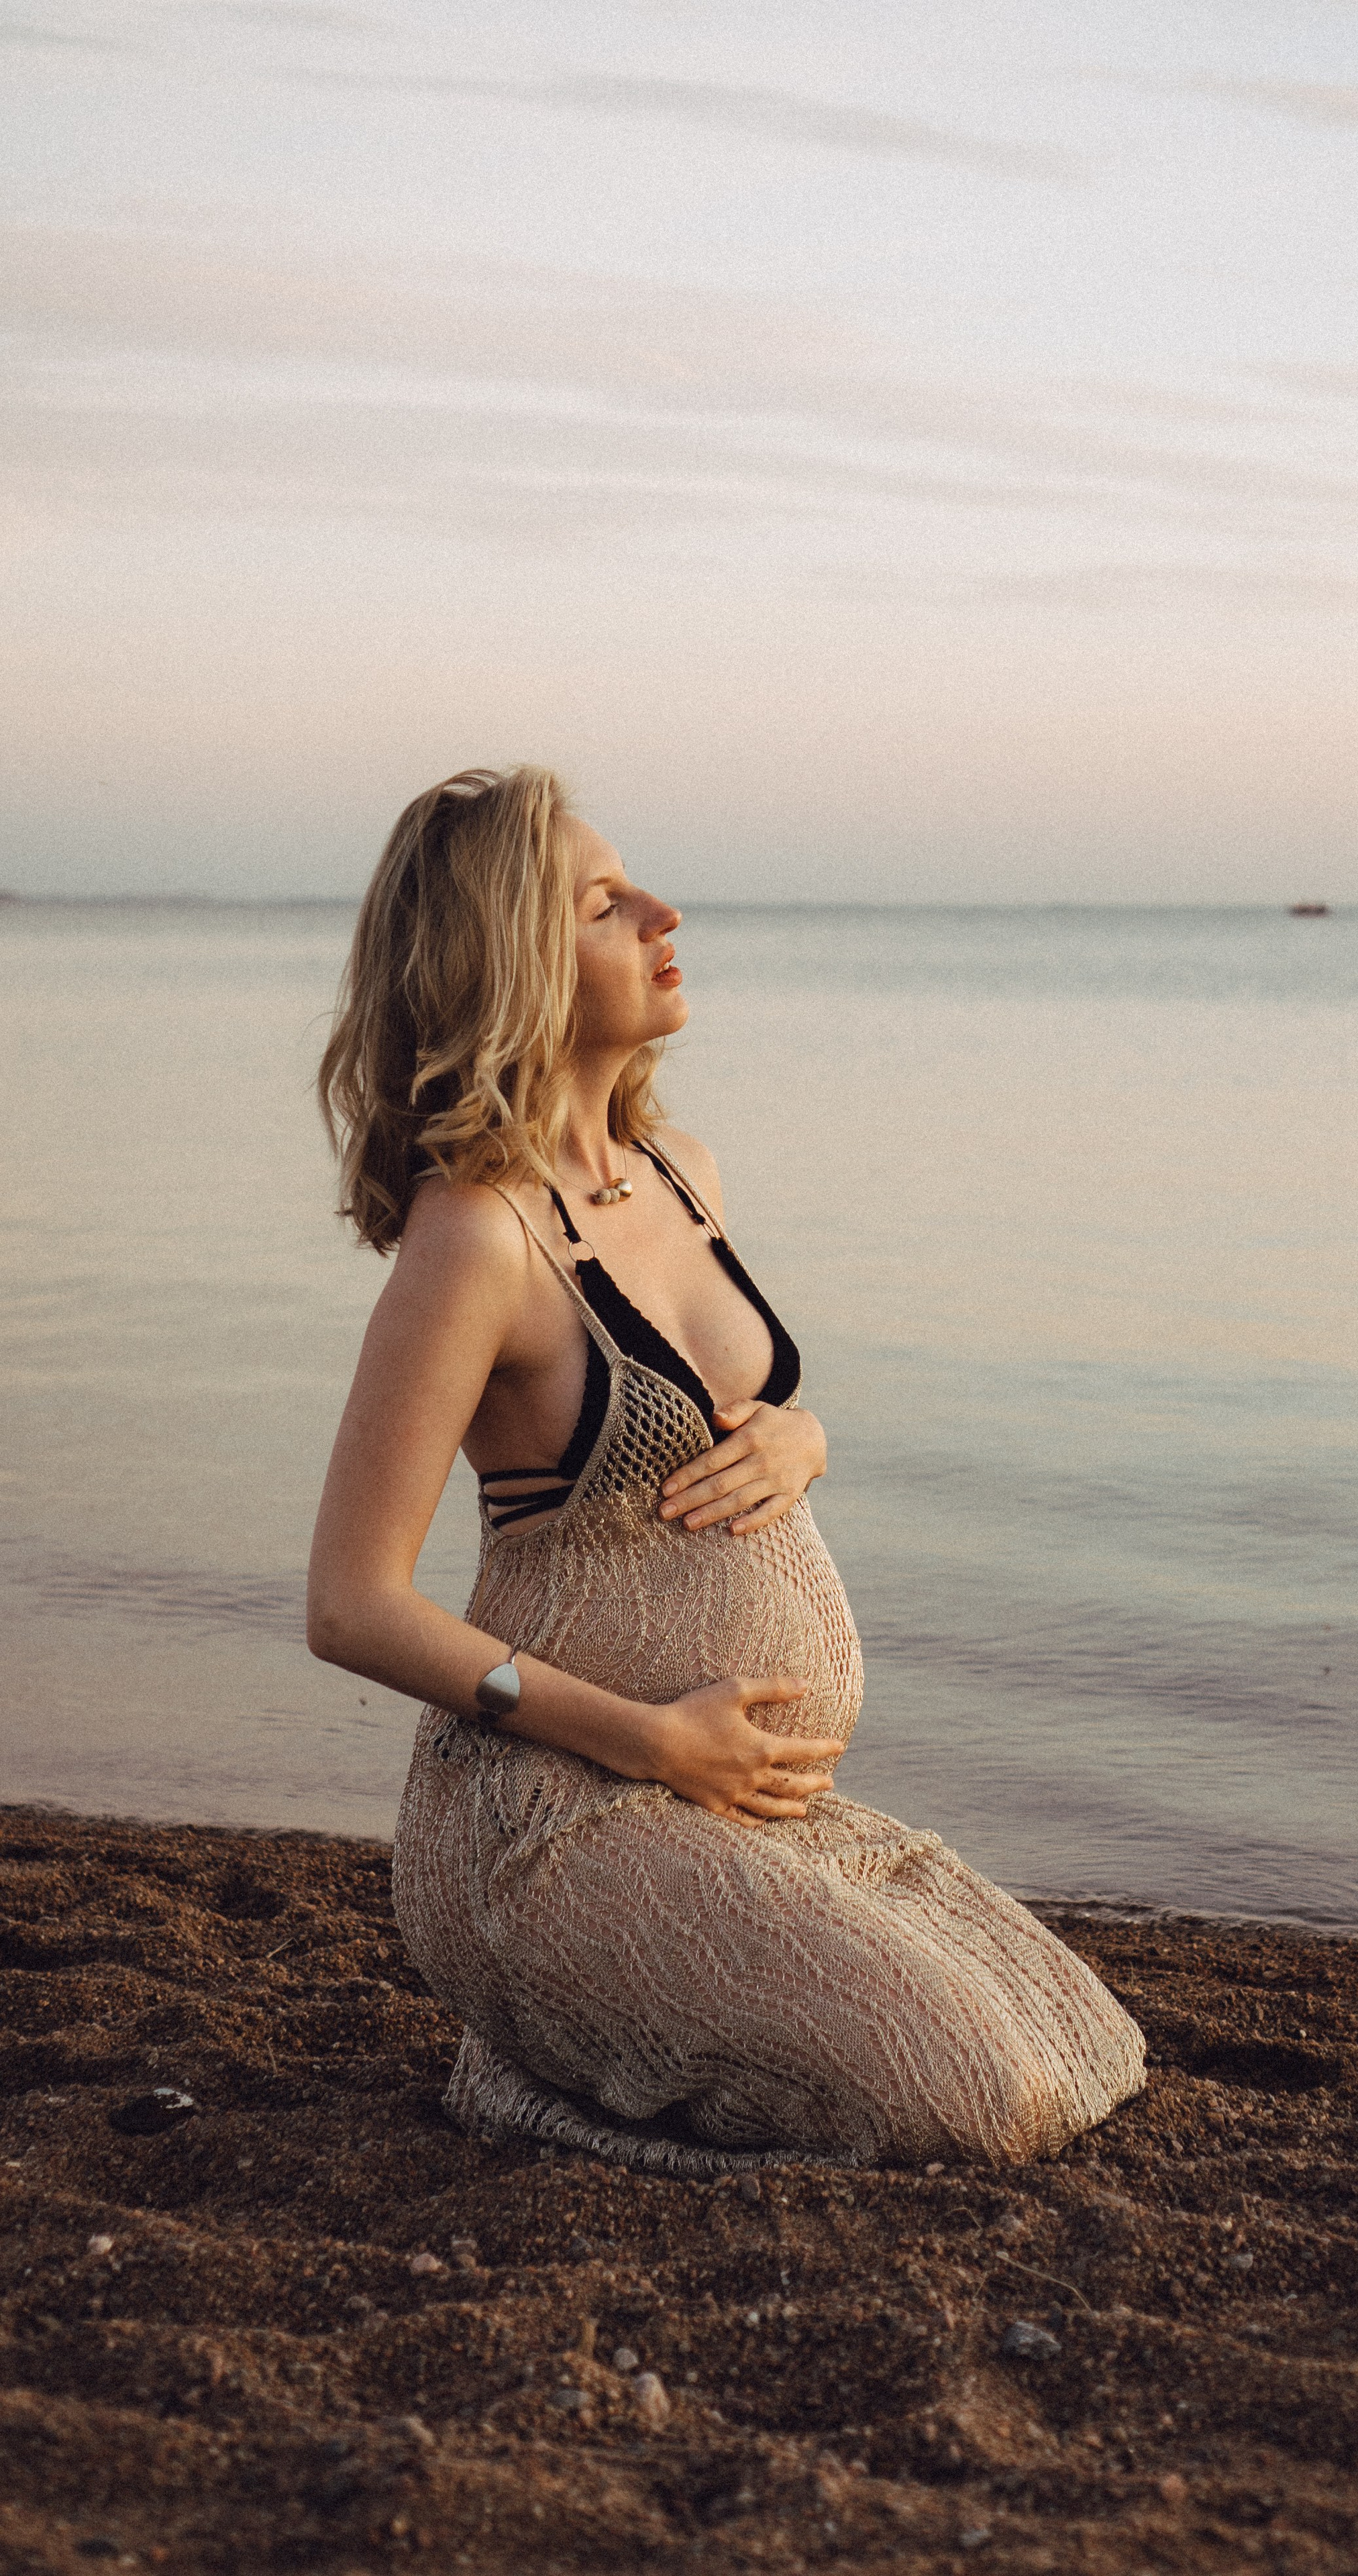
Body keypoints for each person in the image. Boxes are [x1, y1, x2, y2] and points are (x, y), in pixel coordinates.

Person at [308, 766, 1146, 2172]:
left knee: (1087, 2051)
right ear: (508, 959)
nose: (662, 913)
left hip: (729, 1808)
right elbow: (351, 1605)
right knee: (973, 2106)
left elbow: (725, 1411)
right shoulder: (476, 1238)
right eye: (603, 904)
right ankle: (521, 2080)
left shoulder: (681, 1170)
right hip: (549, 1822)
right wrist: (647, 1741)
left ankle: (602, 2037)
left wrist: (806, 1437)